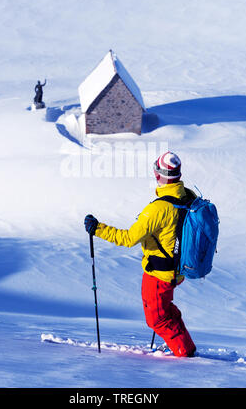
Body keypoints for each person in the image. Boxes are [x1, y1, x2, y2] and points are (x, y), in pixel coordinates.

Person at [84, 151, 196, 358]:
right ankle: (184, 346)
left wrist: (97, 229)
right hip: (179, 269)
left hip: (159, 273)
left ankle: (184, 354)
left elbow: (128, 238)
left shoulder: (158, 209)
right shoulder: (189, 196)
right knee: (166, 311)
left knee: (157, 319)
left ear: (158, 175)